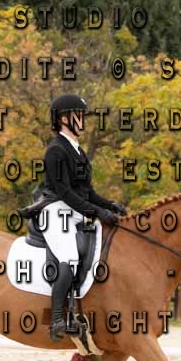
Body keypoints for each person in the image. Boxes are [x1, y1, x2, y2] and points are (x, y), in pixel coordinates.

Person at [38, 94, 127, 342]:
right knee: (70, 257)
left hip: (75, 212)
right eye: (79, 115)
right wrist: (96, 212)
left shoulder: (78, 151)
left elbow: (88, 193)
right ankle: (57, 319)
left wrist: (109, 205)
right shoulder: (55, 150)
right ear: (64, 119)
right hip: (56, 211)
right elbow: (64, 192)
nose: (83, 120)